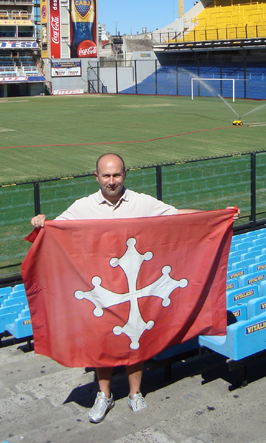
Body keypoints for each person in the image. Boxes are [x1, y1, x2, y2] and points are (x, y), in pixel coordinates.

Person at [30, 152, 238, 424]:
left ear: (125, 174)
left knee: (135, 338)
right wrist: (41, 222)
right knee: (101, 341)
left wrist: (219, 217)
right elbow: (56, 230)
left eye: (116, 175)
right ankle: (104, 395)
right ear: (96, 177)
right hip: (102, 293)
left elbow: (177, 217)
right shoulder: (82, 207)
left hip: (137, 286)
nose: (112, 181)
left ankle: (135, 392)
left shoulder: (142, 202)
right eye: (106, 175)